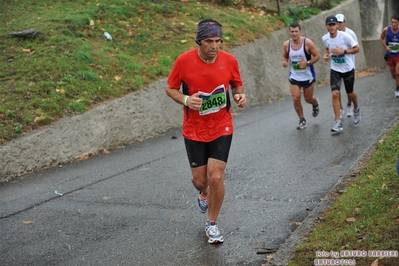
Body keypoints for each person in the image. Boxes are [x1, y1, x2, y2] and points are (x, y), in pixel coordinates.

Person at [165, 19, 246, 244]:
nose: (214, 46)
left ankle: (212, 224)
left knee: (216, 177)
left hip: (222, 125)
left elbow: (237, 84)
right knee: (201, 181)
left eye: (218, 41)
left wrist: (239, 95)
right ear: (199, 41)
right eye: (209, 41)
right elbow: (170, 88)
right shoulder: (183, 61)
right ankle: (202, 193)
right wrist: (185, 99)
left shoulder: (229, 60)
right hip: (194, 129)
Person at [322, 16, 360, 133]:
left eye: (334, 25)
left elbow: (357, 49)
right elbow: (326, 49)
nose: (332, 27)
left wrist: (342, 52)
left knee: (350, 93)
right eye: (330, 25)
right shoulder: (325, 38)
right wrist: (326, 55)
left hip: (348, 68)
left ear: (337, 26)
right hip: (335, 69)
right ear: (326, 26)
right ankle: (338, 122)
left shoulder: (345, 36)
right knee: (335, 94)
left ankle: (356, 108)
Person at [282, 22, 320, 130]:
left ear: (300, 31)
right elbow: (284, 57)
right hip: (294, 76)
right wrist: (284, 62)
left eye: (296, 31)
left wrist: (307, 63)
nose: (294, 34)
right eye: (292, 31)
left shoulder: (307, 43)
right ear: (289, 32)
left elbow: (317, 56)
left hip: (307, 76)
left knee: (308, 99)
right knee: (296, 98)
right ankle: (302, 119)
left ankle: (315, 102)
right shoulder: (286, 45)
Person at [336, 13, 359, 117]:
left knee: (349, 90)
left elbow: (356, 49)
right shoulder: (332, 34)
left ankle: (349, 105)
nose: (338, 24)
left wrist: (343, 52)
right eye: (336, 22)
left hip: (349, 65)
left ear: (344, 22)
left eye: (340, 22)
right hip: (336, 66)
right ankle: (340, 108)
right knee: (336, 90)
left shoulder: (350, 34)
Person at [379, 15, 399, 98]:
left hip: (398, 55)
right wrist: (386, 47)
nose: (393, 24)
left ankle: (397, 89)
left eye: (395, 22)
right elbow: (381, 38)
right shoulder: (386, 30)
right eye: (392, 22)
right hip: (390, 55)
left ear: (398, 23)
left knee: (398, 72)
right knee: (393, 75)